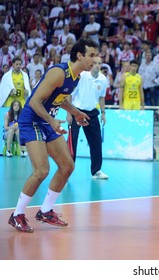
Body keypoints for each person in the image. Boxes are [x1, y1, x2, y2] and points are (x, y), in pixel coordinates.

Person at [8, 38, 98, 233]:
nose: (94, 59)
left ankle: (46, 211)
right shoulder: (59, 72)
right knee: (41, 170)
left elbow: (59, 99)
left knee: (67, 166)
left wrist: (75, 112)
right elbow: (34, 102)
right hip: (32, 120)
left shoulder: (76, 77)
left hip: (47, 121)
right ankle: (17, 215)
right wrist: (52, 121)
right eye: (91, 55)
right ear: (80, 55)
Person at [67, 56, 109, 180]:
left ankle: (96, 171)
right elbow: (70, 94)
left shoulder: (103, 79)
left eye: (99, 63)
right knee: (72, 141)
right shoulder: (82, 76)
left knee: (96, 142)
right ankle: (67, 170)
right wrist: (69, 113)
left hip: (92, 113)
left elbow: (102, 97)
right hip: (77, 111)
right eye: (94, 63)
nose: (97, 65)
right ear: (91, 65)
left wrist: (103, 113)